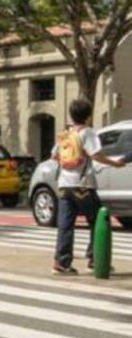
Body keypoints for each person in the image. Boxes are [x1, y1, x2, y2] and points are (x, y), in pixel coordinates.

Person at [52, 97, 127, 275]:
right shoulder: (87, 133)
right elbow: (97, 155)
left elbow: (54, 156)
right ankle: (95, 259)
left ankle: (61, 262)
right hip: (83, 184)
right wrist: (115, 164)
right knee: (98, 220)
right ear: (88, 116)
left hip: (64, 184)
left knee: (65, 224)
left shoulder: (65, 133)